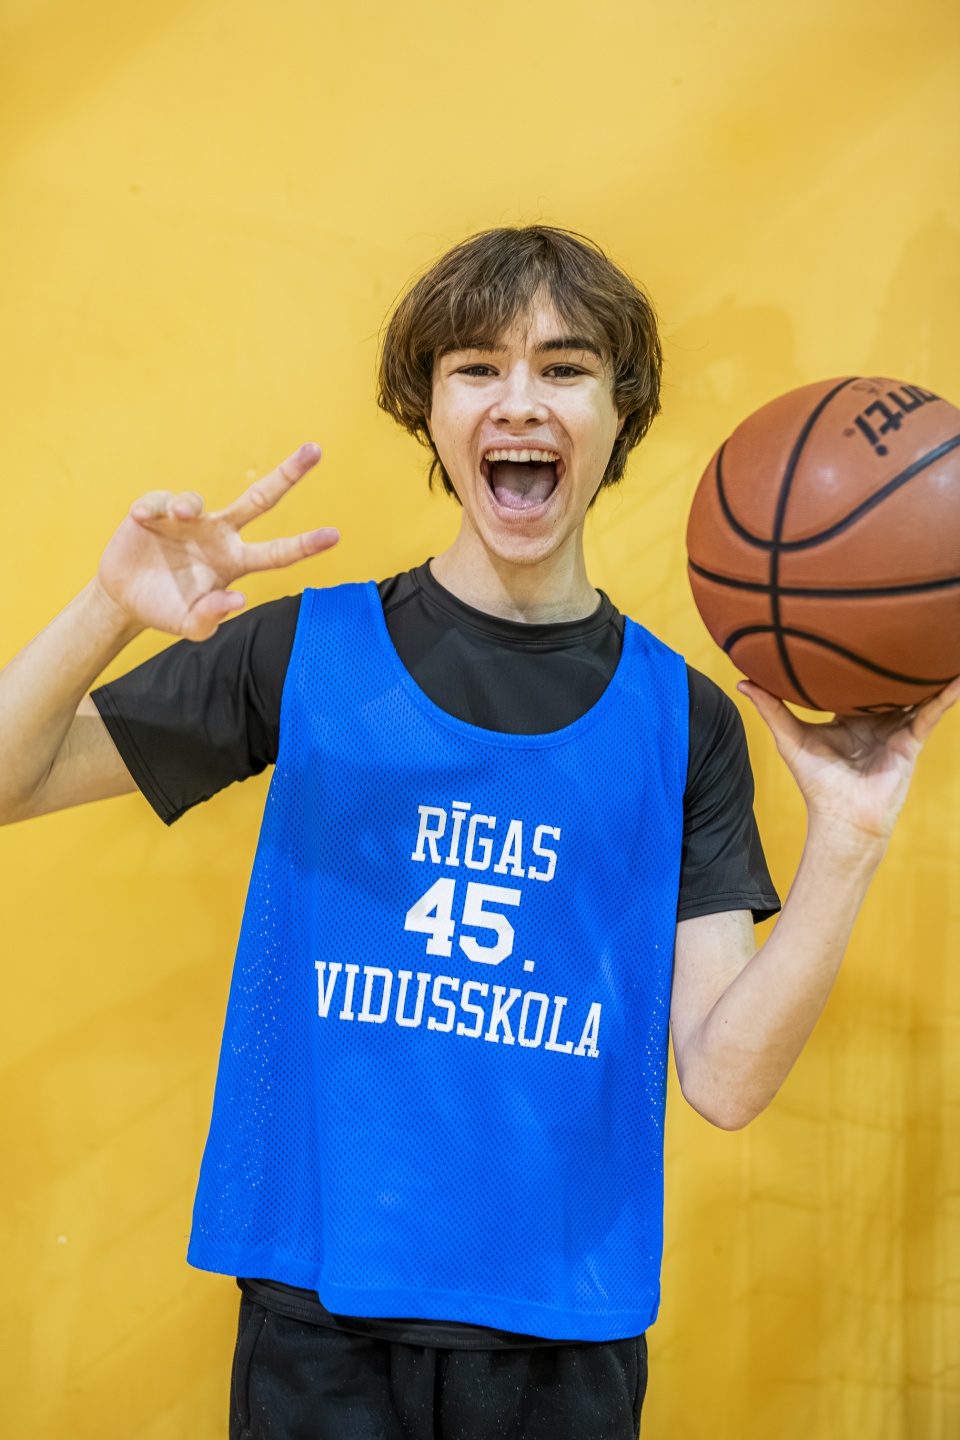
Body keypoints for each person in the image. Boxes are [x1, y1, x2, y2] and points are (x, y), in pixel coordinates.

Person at [0, 226, 955, 1440]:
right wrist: (107, 607)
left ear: (621, 412)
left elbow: (723, 1080)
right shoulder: (306, 651)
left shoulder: (685, 720)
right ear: (429, 409)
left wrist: (851, 841)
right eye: (476, 368)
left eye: (565, 368)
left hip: (562, 1335)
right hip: (321, 1315)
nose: (520, 401)